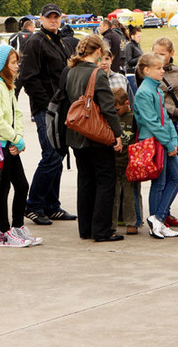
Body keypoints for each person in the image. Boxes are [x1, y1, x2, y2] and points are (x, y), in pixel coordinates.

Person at [0, 45, 42, 247]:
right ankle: (4, 232)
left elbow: (18, 114)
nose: (17, 67)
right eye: (13, 63)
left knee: (22, 185)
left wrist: (18, 138)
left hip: (10, 142)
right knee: (2, 189)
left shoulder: (7, 86)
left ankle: (17, 227)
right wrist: (16, 138)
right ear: (1, 64)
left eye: (17, 62)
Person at [20, 3, 75, 225]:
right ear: (41, 19)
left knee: (59, 154)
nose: (53, 20)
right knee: (51, 154)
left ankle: (52, 205)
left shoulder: (59, 40)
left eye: (56, 17)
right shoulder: (36, 42)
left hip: (62, 106)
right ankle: (33, 204)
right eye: (49, 17)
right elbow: (29, 78)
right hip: (47, 108)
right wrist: (46, 104)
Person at [65, 35, 124, 242]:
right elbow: (108, 108)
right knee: (105, 181)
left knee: (85, 181)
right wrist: (117, 134)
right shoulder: (97, 74)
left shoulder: (71, 71)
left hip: (76, 132)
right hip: (97, 135)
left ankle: (86, 228)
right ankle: (102, 230)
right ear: (98, 51)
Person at [134, 53, 178, 239]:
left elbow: (165, 118)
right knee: (162, 182)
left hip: (163, 141)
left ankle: (158, 219)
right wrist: (168, 141)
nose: (162, 71)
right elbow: (152, 122)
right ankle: (158, 219)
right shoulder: (145, 92)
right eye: (158, 68)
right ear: (146, 70)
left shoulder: (156, 89)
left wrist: (172, 140)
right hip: (155, 142)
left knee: (176, 178)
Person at [152, 37, 178, 228]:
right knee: (166, 174)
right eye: (155, 53)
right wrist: (176, 110)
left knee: (172, 173)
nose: (159, 57)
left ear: (171, 54)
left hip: (176, 124)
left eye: (162, 54)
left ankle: (165, 211)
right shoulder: (151, 73)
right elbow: (156, 102)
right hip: (163, 124)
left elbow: (174, 94)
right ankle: (158, 215)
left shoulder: (175, 70)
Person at [111, 88, 141, 235]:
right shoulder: (110, 117)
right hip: (113, 162)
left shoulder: (133, 118)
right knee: (113, 194)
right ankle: (111, 224)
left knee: (131, 193)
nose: (115, 112)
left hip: (129, 163)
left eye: (117, 109)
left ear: (127, 103)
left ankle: (133, 221)